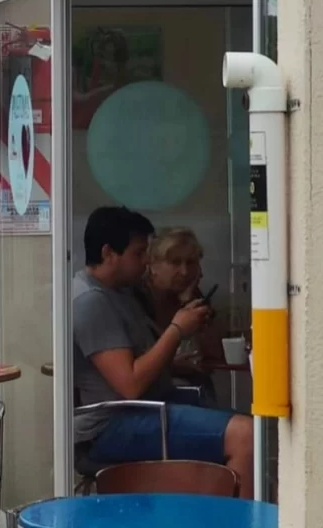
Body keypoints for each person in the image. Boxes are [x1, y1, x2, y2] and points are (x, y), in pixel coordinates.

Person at [73, 206, 254, 498]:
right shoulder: (91, 302)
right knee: (245, 436)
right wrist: (177, 329)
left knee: (253, 427)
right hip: (113, 426)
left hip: (148, 409)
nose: (145, 262)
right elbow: (130, 384)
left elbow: (139, 358)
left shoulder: (119, 293)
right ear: (109, 253)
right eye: (138, 253)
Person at [134, 227, 226, 403]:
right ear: (152, 265)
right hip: (149, 396)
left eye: (190, 263)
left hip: (190, 388)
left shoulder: (192, 295)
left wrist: (188, 302)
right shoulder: (137, 299)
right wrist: (171, 365)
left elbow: (216, 352)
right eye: (175, 263)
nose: (184, 272)